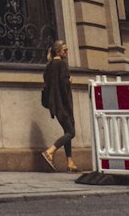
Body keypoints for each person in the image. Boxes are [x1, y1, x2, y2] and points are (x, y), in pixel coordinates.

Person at [40, 39, 78, 173]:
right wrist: (69, 81)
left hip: (54, 104)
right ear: (58, 51)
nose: (67, 52)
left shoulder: (49, 66)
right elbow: (63, 84)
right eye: (65, 50)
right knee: (71, 132)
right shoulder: (62, 64)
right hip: (63, 104)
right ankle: (50, 152)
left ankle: (70, 162)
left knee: (67, 130)